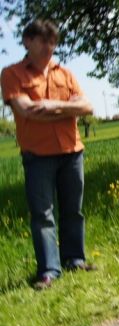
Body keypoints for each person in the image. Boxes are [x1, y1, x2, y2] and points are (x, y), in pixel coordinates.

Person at [1, 19, 95, 290]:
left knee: (73, 211)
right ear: (27, 41)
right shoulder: (12, 74)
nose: (49, 47)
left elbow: (87, 107)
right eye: (43, 41)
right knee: (42, 215)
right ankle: (49, 271)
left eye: (53, 42)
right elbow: (26, 110)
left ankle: (74, 260)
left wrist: (50, 105)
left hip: (72, 152)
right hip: (38, 155)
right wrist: (67, 108)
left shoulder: (64, 73)